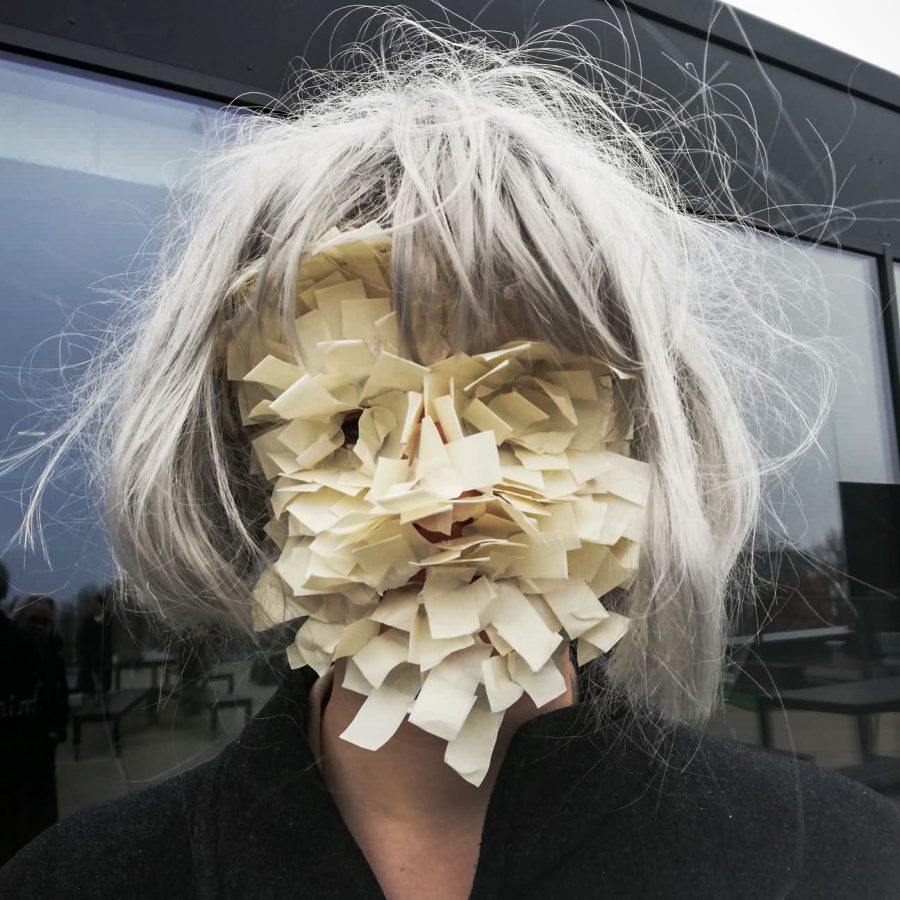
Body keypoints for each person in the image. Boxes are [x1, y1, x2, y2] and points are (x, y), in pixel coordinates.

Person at [2, 11, 899, 898]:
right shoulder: (72, 886)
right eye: (352, 428)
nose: (442, 501)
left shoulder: (852, 864)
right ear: (248, 467)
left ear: (643, 437)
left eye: (520, 406)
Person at [12, 595, 69, 830]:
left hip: (43, 744)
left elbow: (61, 693)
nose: (39, 626)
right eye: (33, 619)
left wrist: (59, 728)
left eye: (44, 621)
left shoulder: (53, 653)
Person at [75, 587, 114, 695]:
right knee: (89, 691)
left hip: (105, 662)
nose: (94, 607)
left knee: (105, 690)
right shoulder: (86, 622)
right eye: (93, 604)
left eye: (97, 604)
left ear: (102, 606)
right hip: (89, 662)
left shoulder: (110, 620)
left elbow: (112, 640)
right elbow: (81, 642)